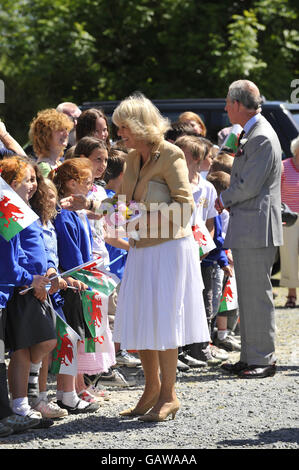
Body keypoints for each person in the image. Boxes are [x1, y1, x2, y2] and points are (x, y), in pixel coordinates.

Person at [60, 92, 210, 422]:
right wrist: (90, 206)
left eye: (124, 128)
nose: (119, 135)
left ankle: (169, 396)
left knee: (165, 319)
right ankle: (151, 391)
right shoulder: (131, 158)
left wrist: (142, 213)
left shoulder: (171, 155)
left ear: (141, 125)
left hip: (170, 249)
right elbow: (122, 205)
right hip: (142, 248)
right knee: (143, 318)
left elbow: (185, 208)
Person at [215, 79, 283, 378]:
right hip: (251, 225)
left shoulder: (261, 136)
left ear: (239, 104)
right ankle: (250, 355)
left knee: (257, 296)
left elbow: (249, 185)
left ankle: (263, 359)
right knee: (248, 294)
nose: (226, 107)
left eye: (228, 102)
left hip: (256, 227)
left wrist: (222, 199)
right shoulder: (252, 132)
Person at [0, 156, 58, 424]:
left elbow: (34, 250)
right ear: (11, 184)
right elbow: (10, 262)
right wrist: (30, 280)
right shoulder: (8, 211)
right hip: (17, 289)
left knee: (44, 341)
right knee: (20, 349)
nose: (34, 185)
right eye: (28, 180)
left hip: (29, 284)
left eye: (35, 179)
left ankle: (26, 400)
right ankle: (19, 405)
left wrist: (46, 271)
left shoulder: (24, 211)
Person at [49, 158, 101, 414]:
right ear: (71, 184)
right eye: (87, 182)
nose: (92, 188)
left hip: (75, 281)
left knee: (73, 339)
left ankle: (66, 392)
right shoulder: (65, 214)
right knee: (71, 338)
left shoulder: (71, 213)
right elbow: (71, 256)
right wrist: (84, 274)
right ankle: (66, 393)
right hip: (72, 283)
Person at [279, 136, 299, 308]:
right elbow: (275, 192)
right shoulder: (284, 167)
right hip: (289, 218)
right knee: (289, 257)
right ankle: (291, 295)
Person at [28, 108, 73, 177]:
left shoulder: (58, 163)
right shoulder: (44, 167)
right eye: (60, 129)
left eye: (66, 129)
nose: (66, 134)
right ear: (46, 135)